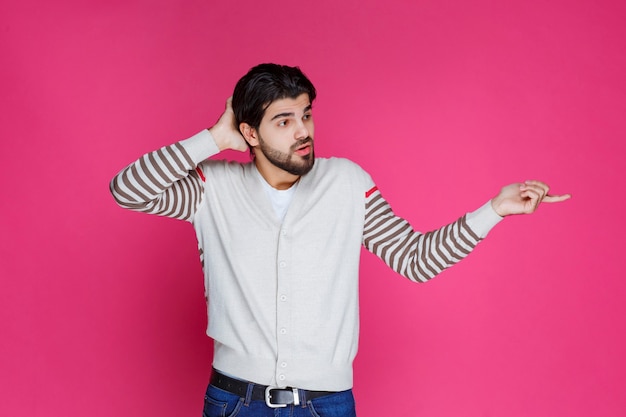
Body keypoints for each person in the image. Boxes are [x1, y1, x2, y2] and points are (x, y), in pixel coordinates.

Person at [110, 63, 570, 417]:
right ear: (248, 133)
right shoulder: (212, 188)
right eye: (283, 121)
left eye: (305, 115)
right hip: (235, 401)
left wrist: (493, 210)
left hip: (325, 403)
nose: (303, 132)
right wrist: (214, 137)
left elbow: (415, 259)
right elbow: (126, 190)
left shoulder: (348, 183)